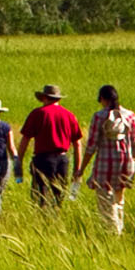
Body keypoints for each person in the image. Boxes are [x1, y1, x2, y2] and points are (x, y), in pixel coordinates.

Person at [78, 83, 135, 234]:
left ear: (102, 99)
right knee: (119, 199)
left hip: (105, 164)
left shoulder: (99, 116)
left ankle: (112, 233)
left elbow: (92, 146)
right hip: (126, 163)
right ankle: (119, 229)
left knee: (106, 200)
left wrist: (82, 168)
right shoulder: (130, 116)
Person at [17, 83, 82, 213]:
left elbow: (25, 140)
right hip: (62, 160)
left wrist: (18, 161)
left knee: (41, 195)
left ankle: (42, 219)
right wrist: (77, 169)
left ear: (44, 98)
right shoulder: (69, 115)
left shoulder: (37, 113)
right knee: (59, 196)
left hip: (42, 160)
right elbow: (77, 144)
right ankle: (55, 218)